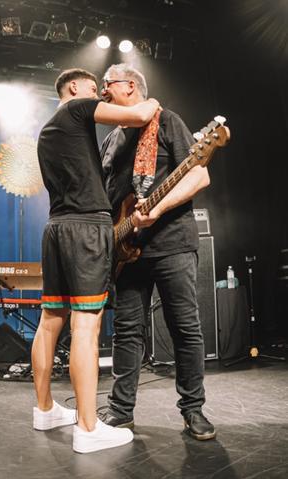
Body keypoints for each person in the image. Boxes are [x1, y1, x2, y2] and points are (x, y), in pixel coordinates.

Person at [32, 68, 160, 453]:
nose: (100, 92)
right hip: (86, 228)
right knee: (86, 326)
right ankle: (88, 428)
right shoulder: (78, 109)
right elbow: (139, 114)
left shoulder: (46, 131)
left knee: (50, 320)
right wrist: (153, 101)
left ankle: (44, 409)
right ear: (74, 87)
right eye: (94, 87)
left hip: (56, 227)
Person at [98, 63, 215, 440]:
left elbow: (199, 174)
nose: (102, 90)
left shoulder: (166, 122)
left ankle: (193, 410)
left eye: (107, 84)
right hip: (126, 250)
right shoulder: (111, 139)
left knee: (185, 328)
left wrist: (158, 209)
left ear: (130, 87)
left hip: (172, 244)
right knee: (127, 332)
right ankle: (121, 410)